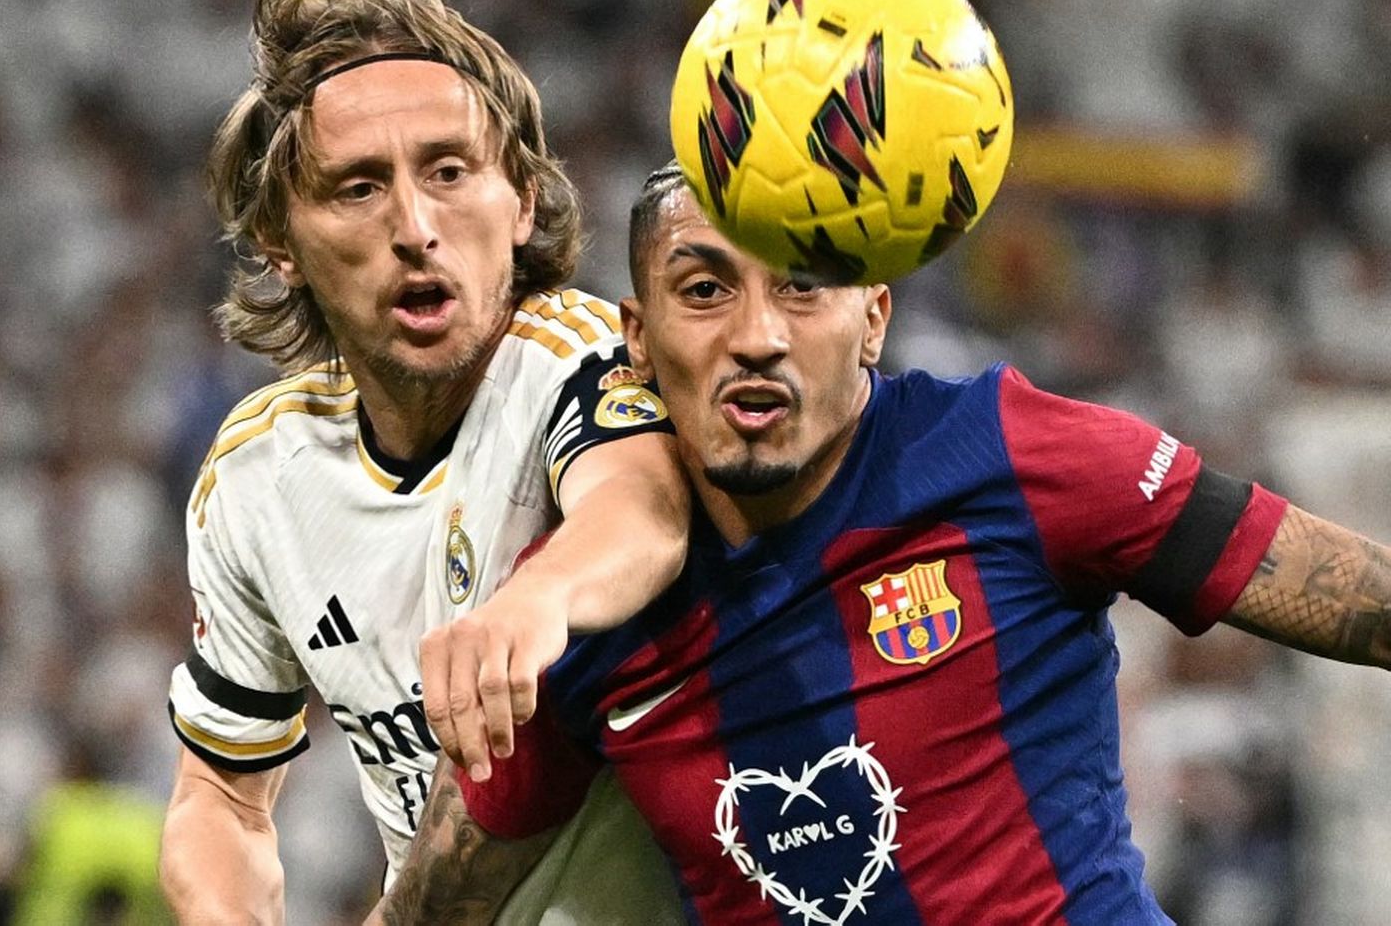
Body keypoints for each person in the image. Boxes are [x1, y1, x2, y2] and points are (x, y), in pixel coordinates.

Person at [370, 162, 1391, 925]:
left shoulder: (1012, 454)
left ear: (874, 318)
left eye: (802, 286)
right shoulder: (575, 607)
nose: (758, 334)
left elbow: (1368, 601)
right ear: (637, 338)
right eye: (706, 289)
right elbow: (432, 909)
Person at [158, 0, 690, 924]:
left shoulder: (572, 358)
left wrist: (531, 604)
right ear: (281, 243)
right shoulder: (258, 477)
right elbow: (219, 799)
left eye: (448, 171)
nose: (414, 227)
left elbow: (642, 511)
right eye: (358, 188)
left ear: (521, 198)